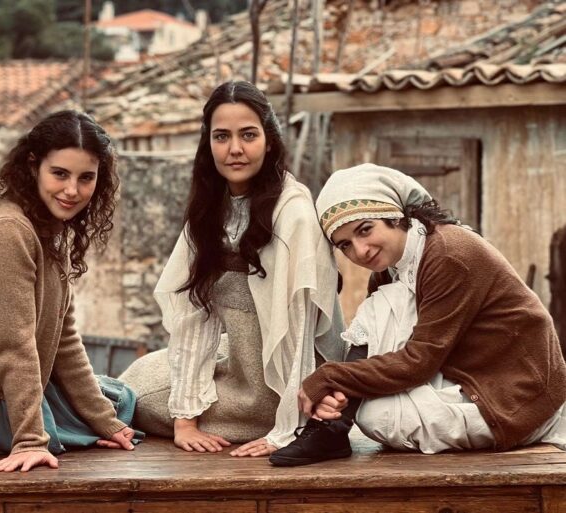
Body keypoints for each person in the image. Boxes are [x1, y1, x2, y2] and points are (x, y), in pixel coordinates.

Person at [269, 163, 566, 466]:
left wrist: (330, 376)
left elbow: (420, 362)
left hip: (518, 399)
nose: (360, 251)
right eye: (345, 245)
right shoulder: (393, 269)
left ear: (396, 216)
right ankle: (331, 428)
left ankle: (332, 429)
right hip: (466, 377)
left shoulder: (449, 254)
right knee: (379, 329)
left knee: (376, 415)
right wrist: (338, 388)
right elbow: (385, 346)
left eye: (365, 229)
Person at [119, 81, 345, 457]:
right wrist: (185, 420)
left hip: (283, 387)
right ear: (208, 143)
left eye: (248, 135)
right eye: (222, 136)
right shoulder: (212, 210)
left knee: (134, 398)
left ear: (269, 141)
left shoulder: (293, 212)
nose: (235, 149)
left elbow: (300, 331)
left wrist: (286, 429)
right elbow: (195, 313)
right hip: (240, 360)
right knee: (144, 371)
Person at [0, 110, 140, 473]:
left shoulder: (51, 224)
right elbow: (14, 345)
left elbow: (63, 337)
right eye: (59, 174)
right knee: (110, 412)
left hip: (27, 379)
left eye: (86, 178)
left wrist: (105, 421)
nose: (72, 190)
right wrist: (30, 440)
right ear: (33, 167)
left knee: (122, 402)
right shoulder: (7, 230)